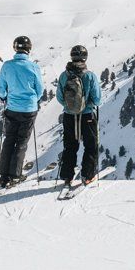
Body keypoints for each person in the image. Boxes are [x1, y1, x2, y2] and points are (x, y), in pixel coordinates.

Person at [0, 35, 44, 187]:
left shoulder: (7, 66)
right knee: (21, 142)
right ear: (29, 49)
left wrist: (4, 97)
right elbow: (40, 89)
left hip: (12, 108)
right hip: (29, 109)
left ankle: (4, 177)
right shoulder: (33, 67)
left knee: (9, 140)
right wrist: (34, 100)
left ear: (15, 48)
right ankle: (15, 175)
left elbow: (1, 87)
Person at [56, 44, 103, 186]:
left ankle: (67, 177)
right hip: (87, 116)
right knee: (90, 145)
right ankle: (87, 176)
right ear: (85, 57)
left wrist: (69, 106)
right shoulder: (90, 75)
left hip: (69, 117)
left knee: (69, 146)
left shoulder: (64, 75)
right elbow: (97, 99)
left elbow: (59, 97)